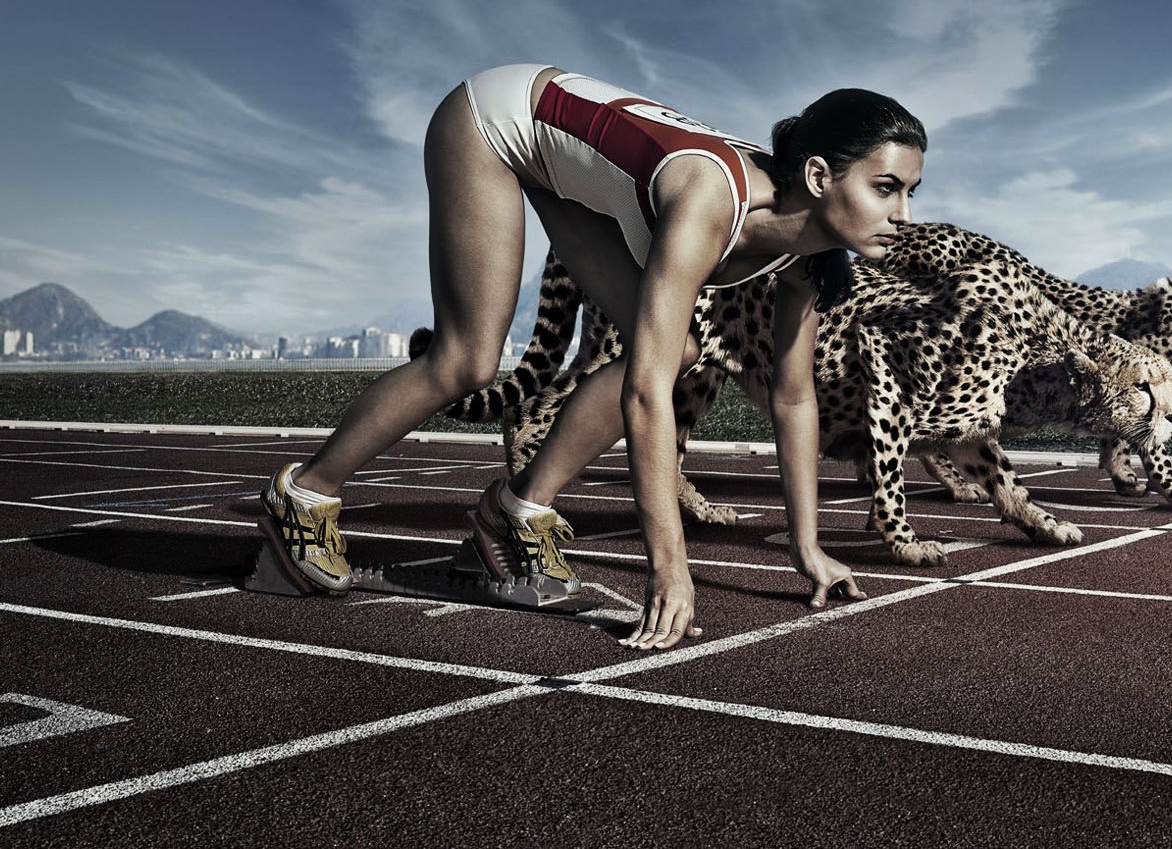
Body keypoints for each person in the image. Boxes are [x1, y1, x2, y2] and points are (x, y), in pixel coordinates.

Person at [256, 64, 927, 650]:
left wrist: (807, 547)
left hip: (562, 158)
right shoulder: (710, 200)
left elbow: (793, 395)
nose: (903, 214)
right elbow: (646, 395)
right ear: (817, 175)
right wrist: (668, 570)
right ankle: (303, 497)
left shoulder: (810, 257)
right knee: (467, 359)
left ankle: (513, 515)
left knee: (678, 347)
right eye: (886, 187)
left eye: (909, 193)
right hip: (497, 120)